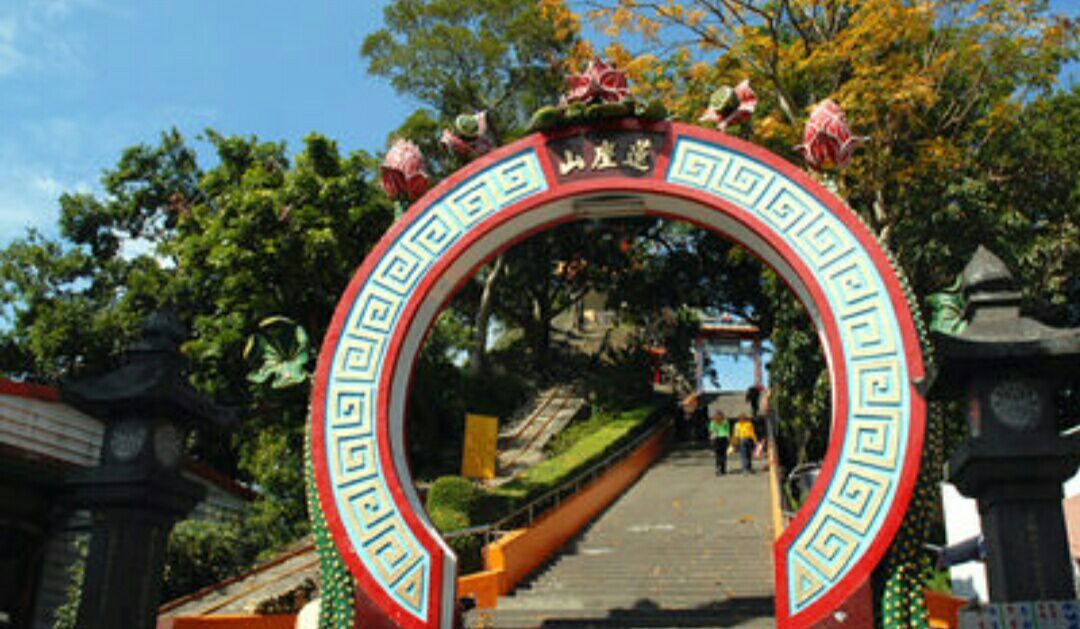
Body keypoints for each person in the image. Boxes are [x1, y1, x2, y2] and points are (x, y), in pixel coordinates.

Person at [707, 411, 730, 475]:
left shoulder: (722, 422)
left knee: (720, 454)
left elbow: (727, 430)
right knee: (721, 454)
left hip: (720, 438)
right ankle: (721, 468)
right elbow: (726, 431)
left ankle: (720, 468)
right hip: (719, 438)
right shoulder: (715, 423)